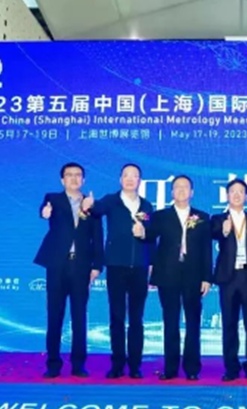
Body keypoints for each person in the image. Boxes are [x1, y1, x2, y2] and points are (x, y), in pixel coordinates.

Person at [82, 164, 153, 379]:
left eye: (135, 176)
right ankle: (117, 364)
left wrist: (151, 262)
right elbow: (97, 210)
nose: (130, 179)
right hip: (116, 266)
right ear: (120, 179)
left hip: (139, 268)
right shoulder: (111, 200)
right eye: (126, 175)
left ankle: (135, 365)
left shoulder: (146, 205)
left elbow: (151, 237)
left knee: (137, 319)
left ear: (140, 180)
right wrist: (89, 205)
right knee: (117, 317)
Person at [34, 163, 104, 379]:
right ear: (62, 180)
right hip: (57, 265)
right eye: (69, 175)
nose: (74, 179)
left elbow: (98, 237)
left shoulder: (92, 205)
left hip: (81, 266)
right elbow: (44, 211)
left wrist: (97, 266)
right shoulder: (53, 199)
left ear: (84, 179)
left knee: (79, 316)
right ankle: (53, 364)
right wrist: (44, 213)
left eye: (78, 175)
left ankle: (78, 364)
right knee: (54, 315)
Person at [143, 175, 212, 380]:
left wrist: (207, 277)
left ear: (192, 192)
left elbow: (206, 249)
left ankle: (192, 369)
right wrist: (141, 231)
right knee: (170, 322)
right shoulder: (161, 216)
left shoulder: (202, 217)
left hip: (194, 275)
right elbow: (149, 239)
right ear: (172, 192)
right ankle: (170, 369)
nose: (181, 190)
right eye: (177, 187)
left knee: (193, 323)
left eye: (185, 187)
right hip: (168, 274)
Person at [211, 179, 247, 381]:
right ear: (227, 195)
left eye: (241, 192)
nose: (236, 195)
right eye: (233, 191)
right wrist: (225, 230)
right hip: (228, 277)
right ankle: (231, 368)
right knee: (229, 324)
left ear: (246, 196)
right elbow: (213, 234)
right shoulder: (218, 218)